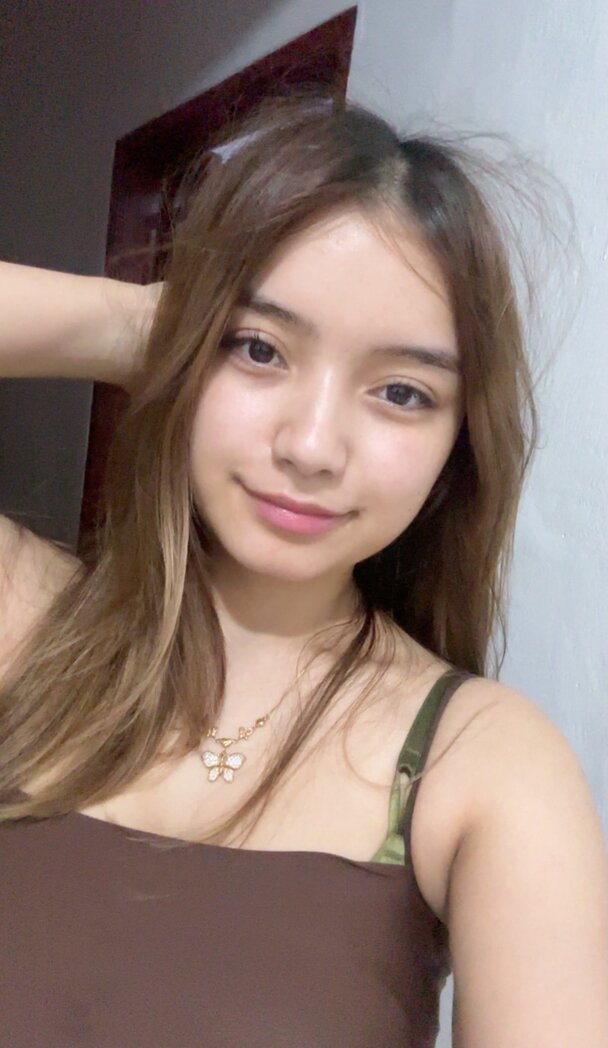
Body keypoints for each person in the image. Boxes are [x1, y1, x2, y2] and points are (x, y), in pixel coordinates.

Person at [0, 88, 606, 1048]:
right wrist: (144, 325)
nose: (313, 445)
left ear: (459, 444)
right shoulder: (25, 622)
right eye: (259, 349)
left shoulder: (481, 764)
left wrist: (231, 341)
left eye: (401, 392)